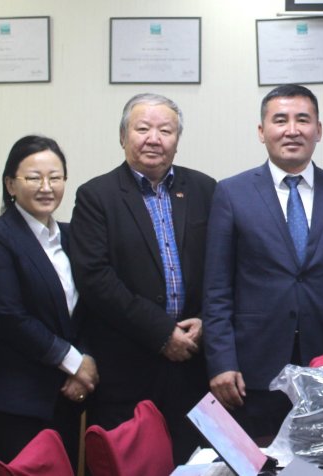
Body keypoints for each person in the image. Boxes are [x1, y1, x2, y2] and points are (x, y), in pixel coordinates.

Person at [203, 84, 323, 438]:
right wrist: (221, 362)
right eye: (280, 120)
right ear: (262, 131)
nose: (292, 130)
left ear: (318, 130)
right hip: (254, 371)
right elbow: (216, 289)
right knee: (263, 459)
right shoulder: (232, 193)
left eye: (302, 120)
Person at [70, 93, 217, 464]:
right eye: (143, 129)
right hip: (127, 370)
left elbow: (223, 269)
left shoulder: (205, 190)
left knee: (195, 466)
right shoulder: (96, 196)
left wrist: (205, 321)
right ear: (123, 136)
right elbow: (95, 279)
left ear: (177, 140)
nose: (154, 138)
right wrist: (162, 333)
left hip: (194, 368)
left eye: (165, 130)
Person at [0, 135, 96, 473]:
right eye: (33, 178)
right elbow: (9, 316)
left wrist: (84, 363)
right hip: (12, 403)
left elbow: (88, 310)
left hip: (64, 399)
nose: (46, 187)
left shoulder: (72, 236)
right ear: (10, 184)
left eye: (55, 177)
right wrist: (74, 362)